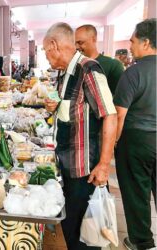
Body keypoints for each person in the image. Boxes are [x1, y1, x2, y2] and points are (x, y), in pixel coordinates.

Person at [43, 22, 117, 250]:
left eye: (46, 50)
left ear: (54, 45)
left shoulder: (89, 70)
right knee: (71, 227)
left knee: (85, 235)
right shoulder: (65, 74)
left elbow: (110, 116)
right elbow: (74, 112)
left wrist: (104, 164)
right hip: (67, 164)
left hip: (84, 169)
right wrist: (53, 108)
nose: (46, 57)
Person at [114, 18, 156, 250]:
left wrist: (114, 143)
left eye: (133, 41)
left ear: (146, 42)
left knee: (136, 191)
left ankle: (142, 242)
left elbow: (119, 115)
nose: (130, 46)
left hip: (137, 141)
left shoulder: (133, 73)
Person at [75, 24, 124, 95]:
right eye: (75, 43)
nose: (76, 47)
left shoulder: (113, 65)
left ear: (94, 39)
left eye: (80, 42)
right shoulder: (76, 64)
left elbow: (119, 97)